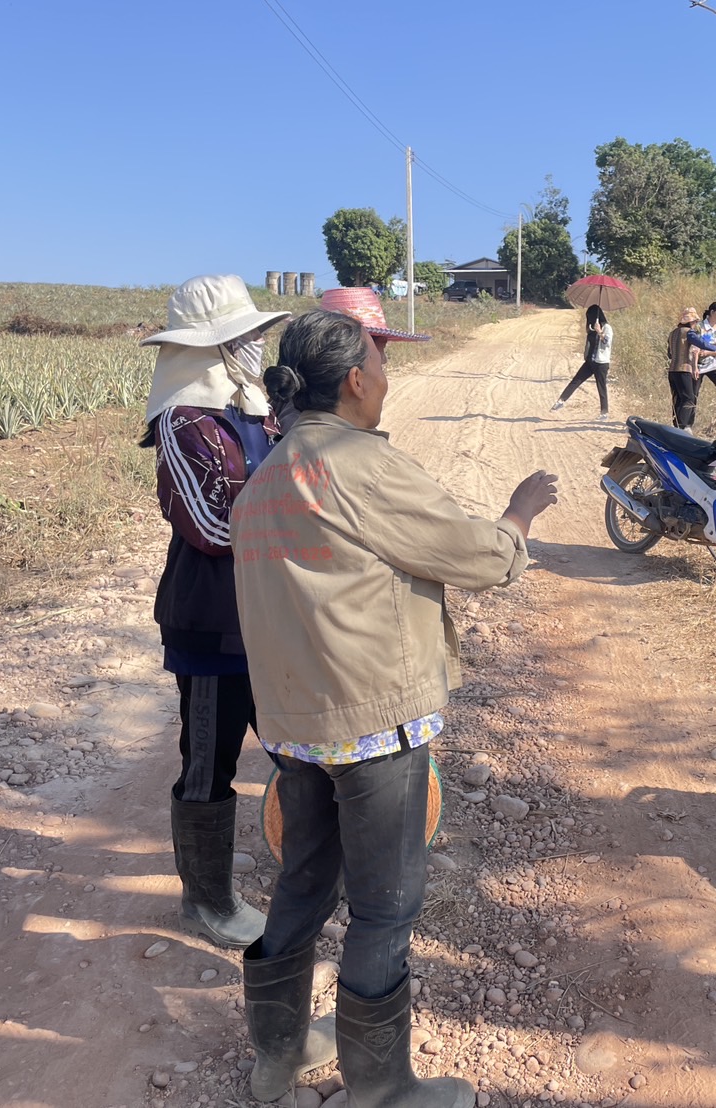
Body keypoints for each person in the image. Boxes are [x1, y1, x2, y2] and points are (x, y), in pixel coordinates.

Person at [230, 302, 558, 1106]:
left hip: (293, 729)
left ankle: (277, 1056)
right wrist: (517, 513)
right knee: (385, 906)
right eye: (381, 367)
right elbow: (477, 556)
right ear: (352, 379)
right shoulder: (359, 463)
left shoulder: (266, 476)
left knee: (304, 884)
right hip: (373, 724)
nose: (386, 381)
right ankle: (382, 1090)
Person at [140, 273, 292, 948]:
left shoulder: (257, 409)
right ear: (211, 347)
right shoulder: (182, 422)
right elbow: (210, 526)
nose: (255, 346)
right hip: (213, 623)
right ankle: (207, 901)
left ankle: (313, 871)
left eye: (256, 335)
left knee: (300, 746)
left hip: (273, 613)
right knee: (209, 760)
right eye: (243, 338)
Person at [550, 304, 613, 418]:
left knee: (601, 387)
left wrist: (600, 332)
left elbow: (607, 342)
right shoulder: (592, 327)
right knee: (576, 380)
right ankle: (561, 401)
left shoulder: (607, 328)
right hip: (590, 361)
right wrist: (591, 331)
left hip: (601, 363)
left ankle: (604, 413)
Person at [666, 307, 703, 430]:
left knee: (677, 398)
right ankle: (681, 427)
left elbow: (669, 354)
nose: (696, 324)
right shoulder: (689, 333)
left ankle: (675, 425)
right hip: (684, 369)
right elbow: (700, 345)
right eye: (695, 321)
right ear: (691, 322)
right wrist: (714, 349)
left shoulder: (673, 333)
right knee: (688, 398)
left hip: (672, 370)